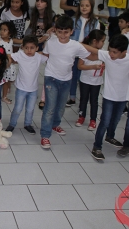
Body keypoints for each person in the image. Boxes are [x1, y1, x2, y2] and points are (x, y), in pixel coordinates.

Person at [40, 15, 98, 149]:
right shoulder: (51, 43)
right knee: (49, 108)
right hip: (51, 78)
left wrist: (106, 56)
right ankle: (45, 135)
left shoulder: (76, 46)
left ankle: (55, 125)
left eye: (66, 32)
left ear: (72, 31)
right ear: (55, 31)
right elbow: (46, 55)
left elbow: (90, 56)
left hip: (66, 80)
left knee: (60, 107)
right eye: (59, 32)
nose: (63, 35)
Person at [90, 34, 129, 161]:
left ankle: (110, 136)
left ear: (124, 52)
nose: (111, 54)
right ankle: (97, 146)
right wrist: (75, 43)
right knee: (105, 121)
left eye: (115, 52)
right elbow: (93, 50)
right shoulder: (107, 56)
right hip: (109, 96)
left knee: (115, 120)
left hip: (123, 97)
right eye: (110, 50)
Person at [6, 35, 48, 134]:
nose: (29, 50)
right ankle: (12, 124)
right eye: (26, 48)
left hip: (33, 89)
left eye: (32, 48)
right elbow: (9, 56)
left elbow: (48, 57)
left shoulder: (39, 57)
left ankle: (28, 124)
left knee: (30, 109)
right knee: (18, 108)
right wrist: (9, 62)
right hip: (21, 88)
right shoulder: (20, 55)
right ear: (22, 47)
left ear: (37, 48)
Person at [67, 0, 100, 107]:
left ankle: (83, 98)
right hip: (74, 51)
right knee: (73, 75)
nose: (84, 8)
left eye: (87, 5)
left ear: (91, 7)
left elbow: (96, 38)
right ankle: (72, 97)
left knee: (83, 77)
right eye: (82, 5)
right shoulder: (73, 20)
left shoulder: (95, 22)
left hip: (87, 53)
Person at [76, 30, 106, 130]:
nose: (103, 43)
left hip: (97, 82)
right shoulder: (85, 52)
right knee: (83, 99)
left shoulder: (102, 53)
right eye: (102, 41)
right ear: (94, 41)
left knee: (94, 100)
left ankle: (93, 120)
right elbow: (80, 66)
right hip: (85, 80)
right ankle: (81, 116)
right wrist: (93, 67)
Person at [0, 21, 17, 104]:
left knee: (7, 81)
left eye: (5, 30)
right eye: (1, 29)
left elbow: (23, 41)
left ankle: (4, 96)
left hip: (9, 65)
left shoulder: (11, 40)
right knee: (0, 80)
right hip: (1, 64)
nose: (1, 31)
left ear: (10, 32)